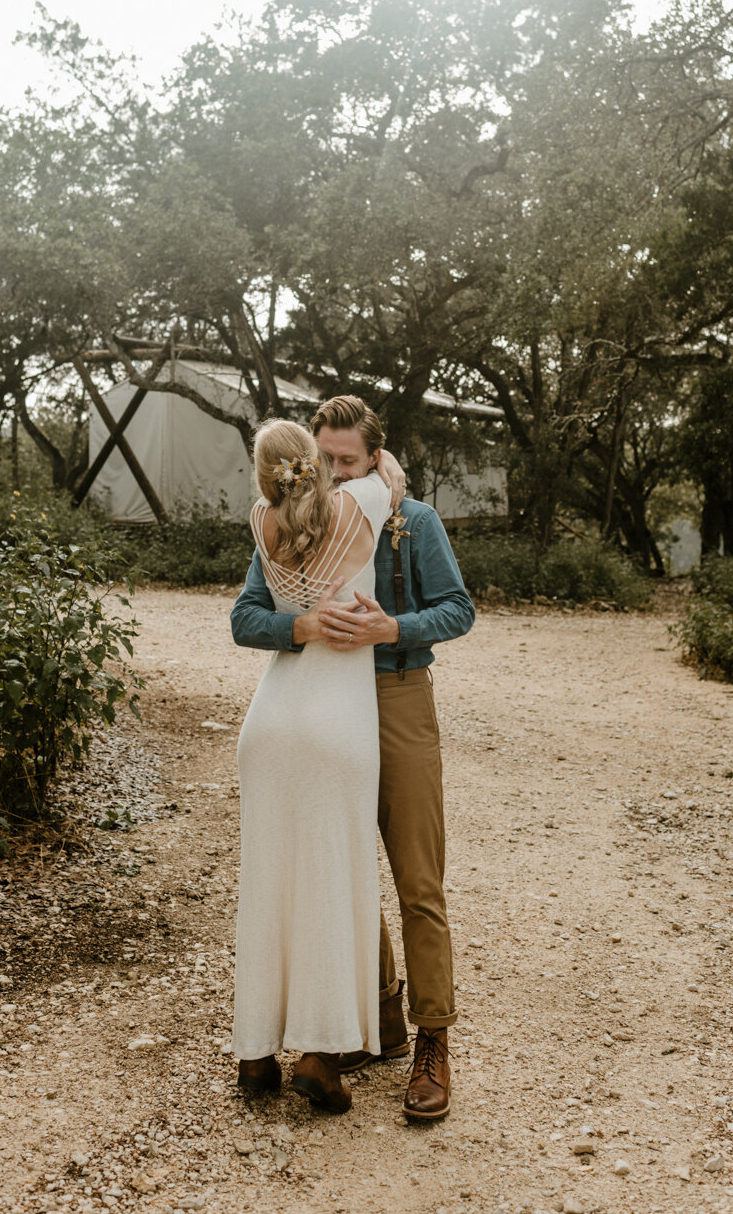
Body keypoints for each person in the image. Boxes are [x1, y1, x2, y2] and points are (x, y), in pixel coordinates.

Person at [232, 395, 474, 1121]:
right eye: (324, 458)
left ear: (375, 457)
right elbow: (246, 614)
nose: (333, 472)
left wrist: (391, 627)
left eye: (347, 460)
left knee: (415, 880)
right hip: (319, 703)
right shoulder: (300, 518)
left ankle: (433, 1042)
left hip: (393, 697)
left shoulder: (409, 518)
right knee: (335, 871)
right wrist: (299, 626)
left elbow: (457, 608)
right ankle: (377, 1020)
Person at [232, 417, 393, 1114]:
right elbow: (389, 470)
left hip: (268, 723)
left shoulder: (261, 518)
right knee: (332, 884)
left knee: (269, 883)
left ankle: (255, 1058)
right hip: (337, 723)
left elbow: (249, 612)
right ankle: (321, 1056)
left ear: (263, 473)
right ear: (317, 464)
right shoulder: (363, 503)